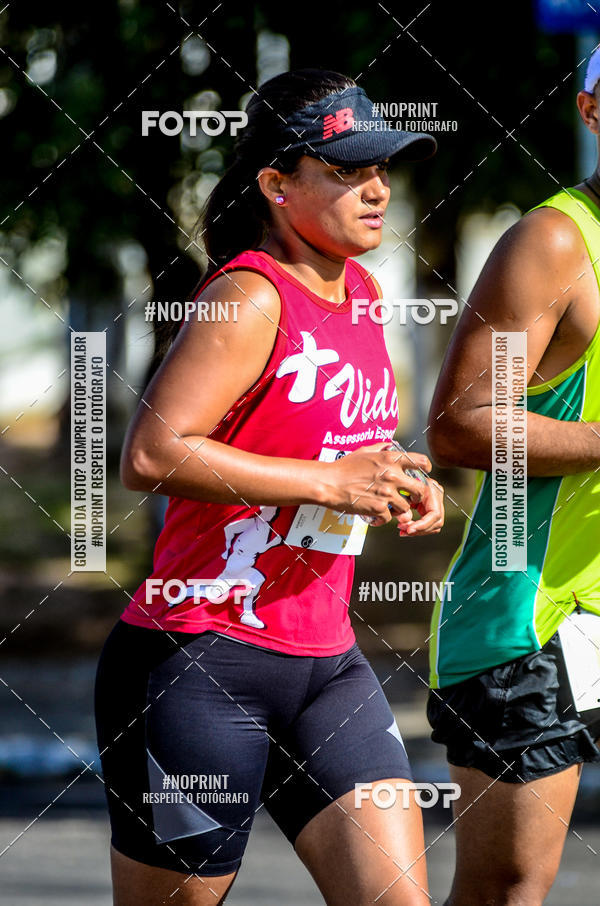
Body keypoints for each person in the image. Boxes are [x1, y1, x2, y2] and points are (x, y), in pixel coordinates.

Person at [94, 68, 444, 906]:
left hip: (328, 667)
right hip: (200, 662)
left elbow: (334, 437)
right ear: (277, 185)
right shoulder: (248, 296)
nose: (376, 189)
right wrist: (329, 481)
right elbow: (150, 454)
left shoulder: (358, 291)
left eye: (382, 169)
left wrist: (393, 475)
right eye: (348, 171)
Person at [426, 52, 600, 906]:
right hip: (526, 620)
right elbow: (461, 421)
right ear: (592, 110)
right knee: (508, 891)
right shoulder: (556, 240)